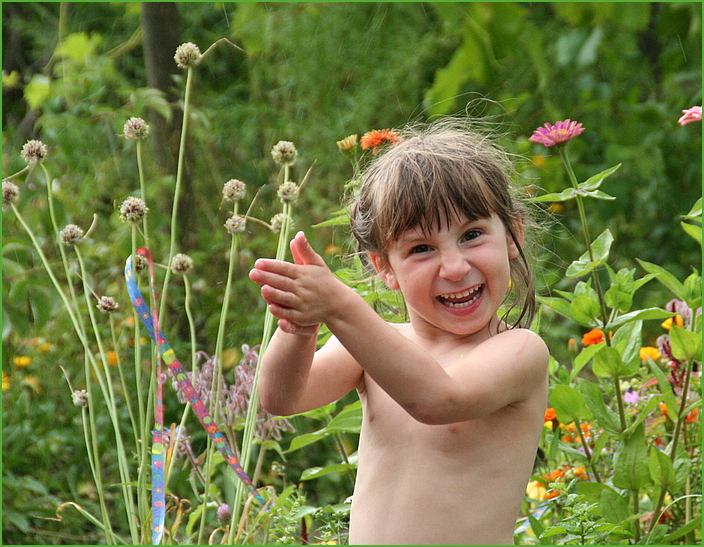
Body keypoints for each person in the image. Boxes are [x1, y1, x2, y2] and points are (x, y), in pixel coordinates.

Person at [249, 121, 549, 545]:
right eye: (422, 248)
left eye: (472, 235)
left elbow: (437, 399)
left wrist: (339, 303)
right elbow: (281, 398)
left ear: (513, 235)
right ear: (384, 267)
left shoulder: (519, 351)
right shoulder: (373, 346)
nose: (455, 267)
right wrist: (300, 325)